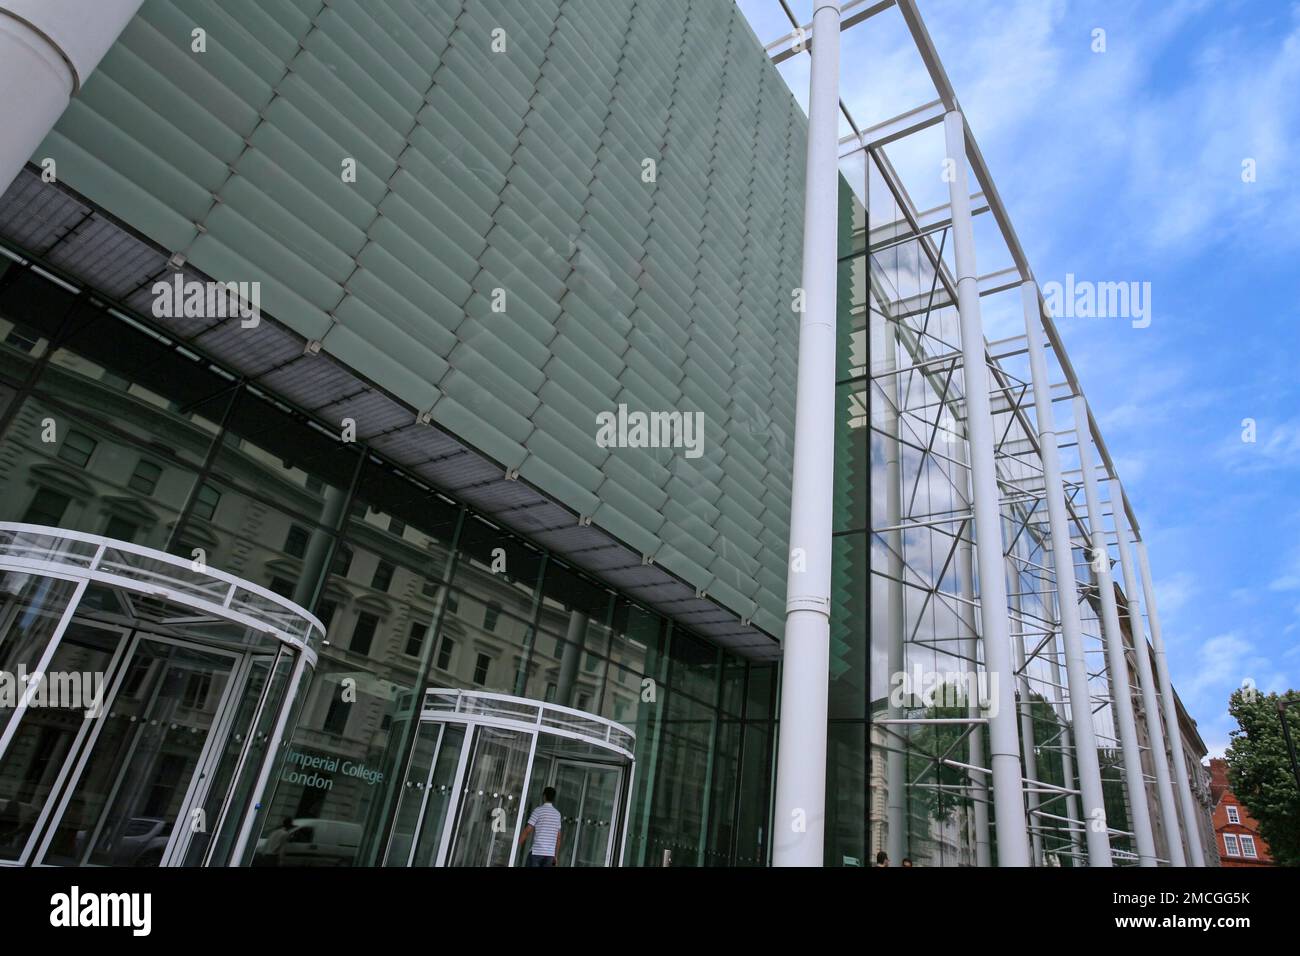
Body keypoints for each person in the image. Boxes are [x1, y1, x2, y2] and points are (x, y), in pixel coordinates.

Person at [519, 787, 562, 867]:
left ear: (544, 796)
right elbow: (558, 837)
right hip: (549, 855)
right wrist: (555, 856)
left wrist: (517, 845)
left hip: (537, 852)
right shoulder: (557, 814)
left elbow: (527, 830)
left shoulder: (538, 811)